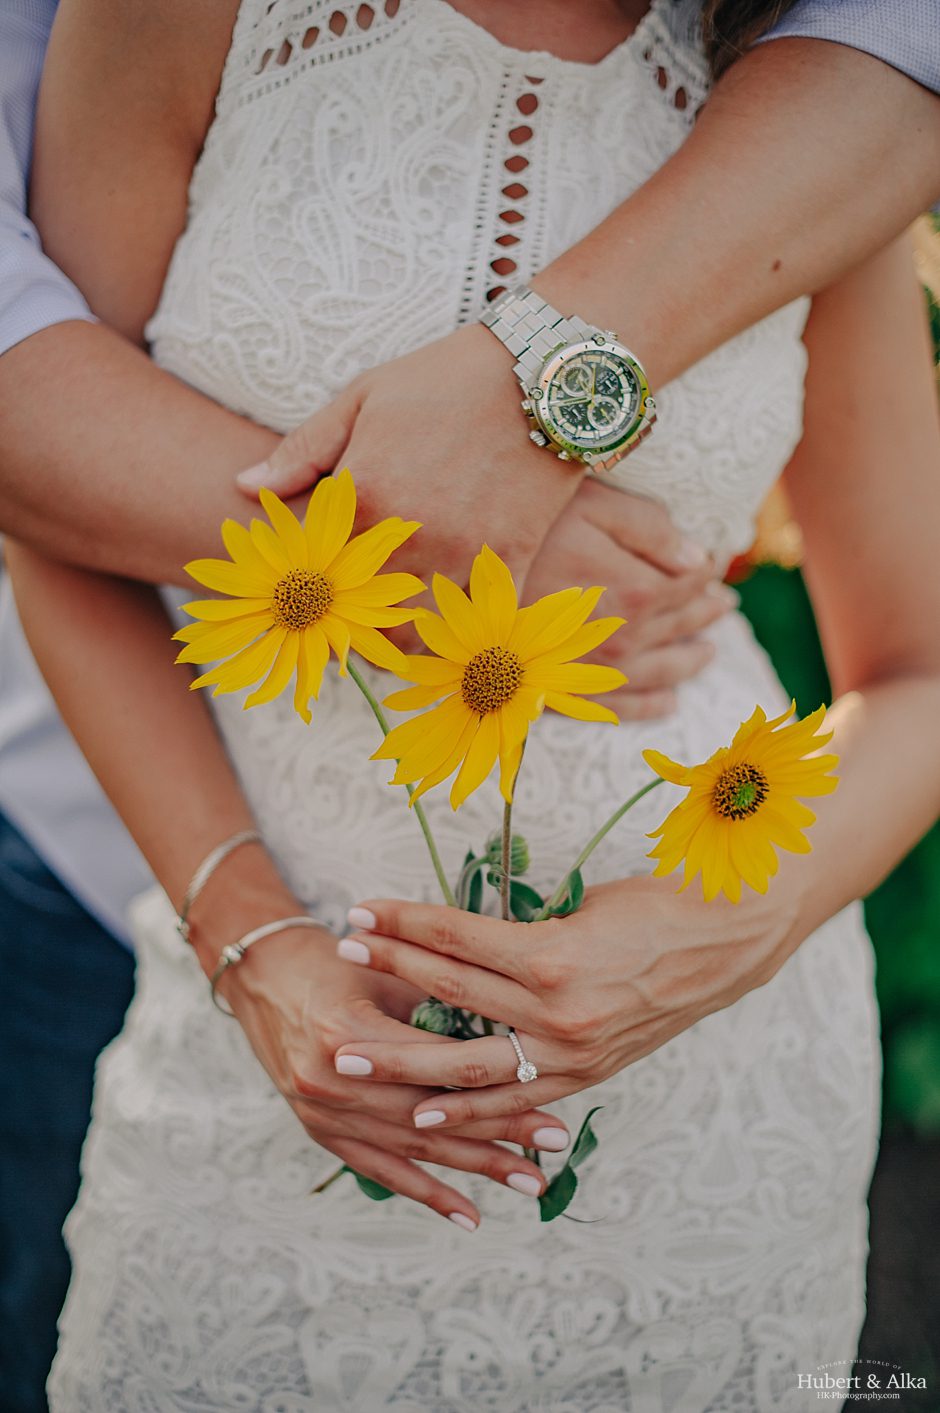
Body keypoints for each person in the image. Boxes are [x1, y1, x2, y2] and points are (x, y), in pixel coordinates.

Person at [2, 1, 940, 1409]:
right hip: (279, 1034)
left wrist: (727, 929)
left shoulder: (803, 101)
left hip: (720, 1072)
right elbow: (48, 509)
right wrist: (254, 942)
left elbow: (920, 669)